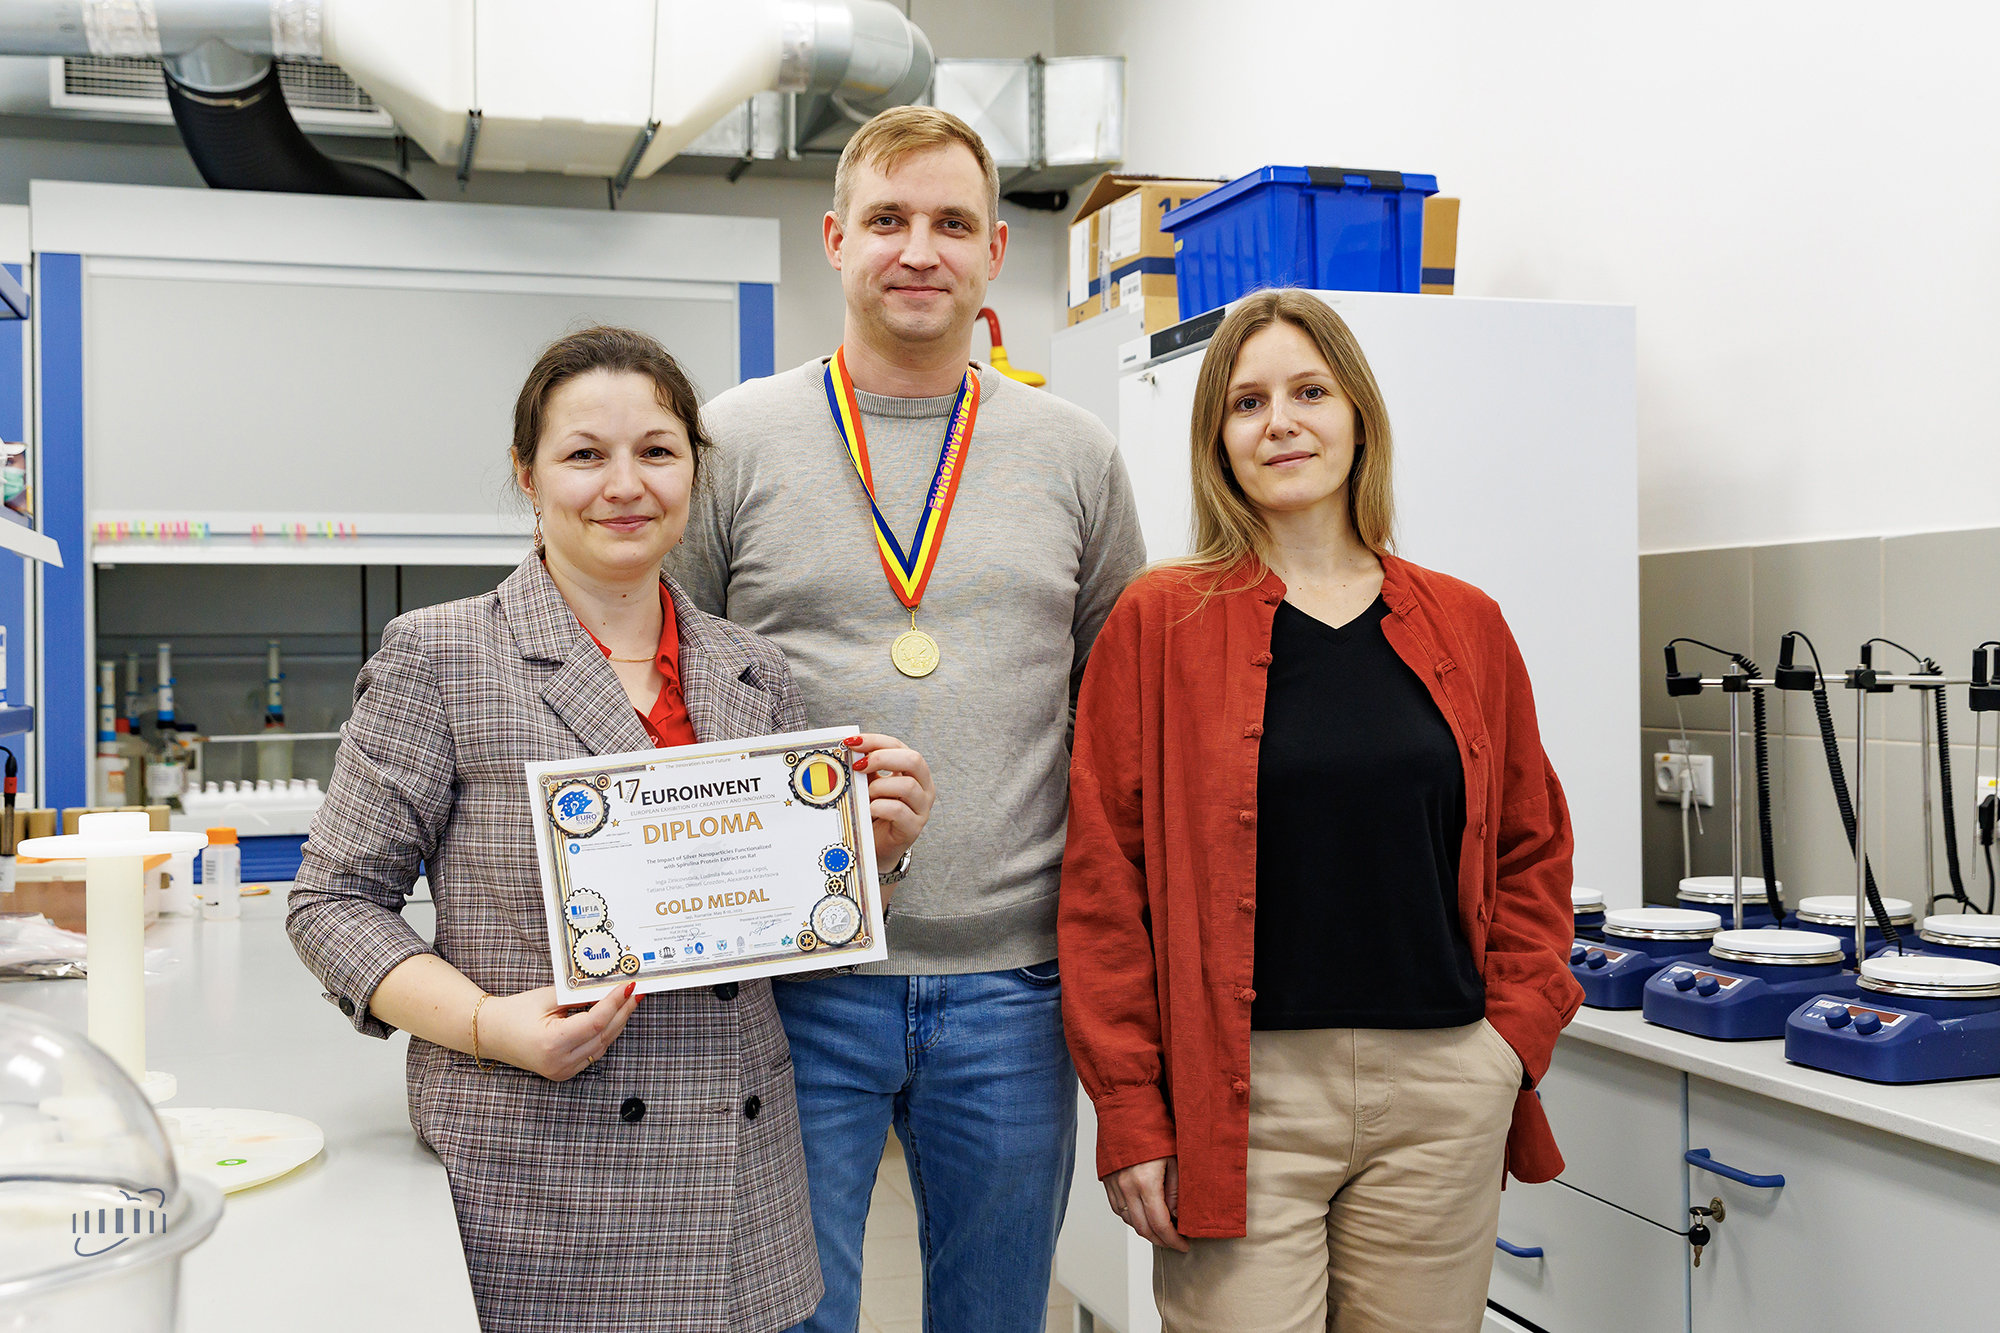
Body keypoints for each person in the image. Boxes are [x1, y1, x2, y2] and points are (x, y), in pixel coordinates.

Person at [287, 326, 937, 1333]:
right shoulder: (443, 656)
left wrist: (872, 856)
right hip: (539, 1169)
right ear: (528, 474)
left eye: (657, 451)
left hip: (740, 1174)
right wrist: (486, 1023)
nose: (624, 485)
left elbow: (786, 932)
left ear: (694, 473)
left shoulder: (751, 669)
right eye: (585, 454)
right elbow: (331, 903)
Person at [673, 107, 1146, 1331]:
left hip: (1013, 986)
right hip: (795, 982)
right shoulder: (730, 440)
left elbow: (1119, 709)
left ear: (995, 249)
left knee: (995, 1314)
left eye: (949, 222)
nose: (918, 250)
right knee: (789, 1314)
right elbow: (665, 690)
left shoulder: (1074, 453)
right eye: (887, 219)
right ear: (836, 239)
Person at [1058, 289, 1581, 1333]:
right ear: (1217, 439)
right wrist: (1129, 1107)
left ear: (1357, 417)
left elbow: (1532, 847)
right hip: (1236, 1096)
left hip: (1441, 1088)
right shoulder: (1157, 623)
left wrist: (1508, 1043)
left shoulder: (1466, 622)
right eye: (1247, 402)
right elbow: (1104, 884)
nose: (1280, 423)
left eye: (1309, 392)